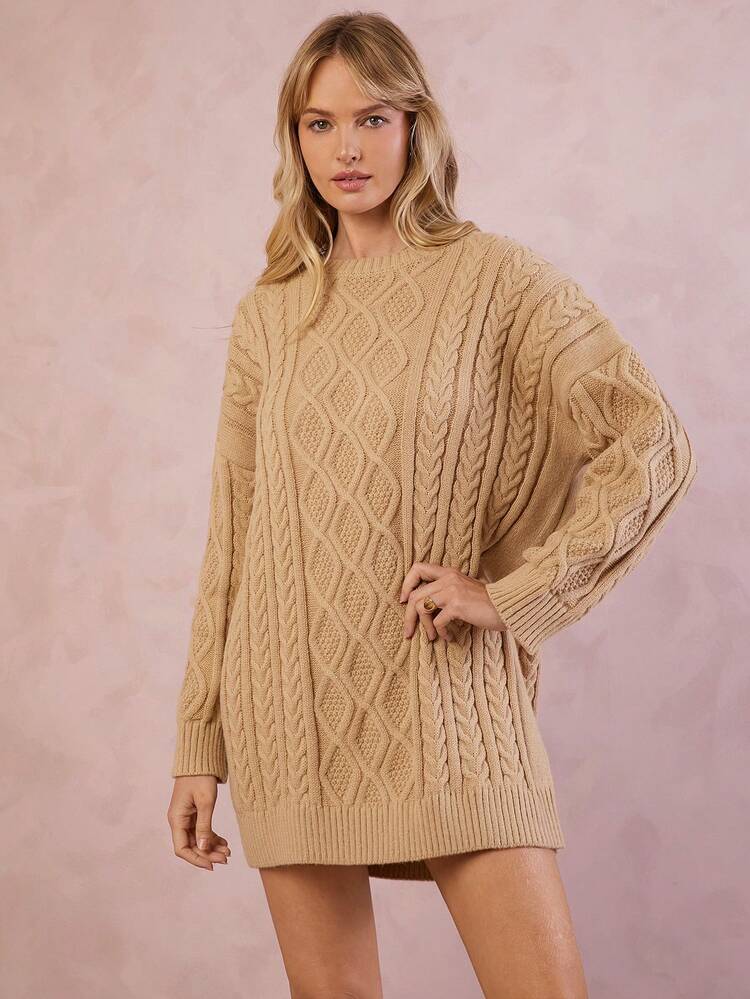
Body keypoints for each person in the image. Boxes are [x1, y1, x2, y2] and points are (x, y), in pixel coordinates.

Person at [165, 12, 698, 999]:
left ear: (416, 124)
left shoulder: (499, 281)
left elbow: (652, 440)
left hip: (451, 707)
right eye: (319, 124)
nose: (347, 148)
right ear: (295, 139)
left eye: (372, 118)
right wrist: (199, 743)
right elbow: (233, 537)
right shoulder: (270, 314)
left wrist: (516, 594)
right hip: (288, 713)